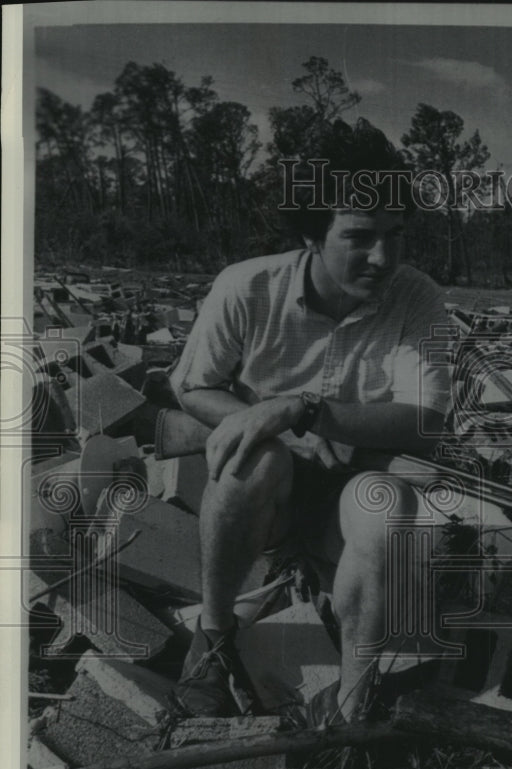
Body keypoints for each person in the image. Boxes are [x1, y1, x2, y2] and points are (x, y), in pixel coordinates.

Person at [169, 121, 450, 725]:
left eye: (395, 236)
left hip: (349, 499)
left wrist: (307, 408)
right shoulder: (245, 287)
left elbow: (425, 422)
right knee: (252, 458)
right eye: (359, 236)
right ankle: (214, 639)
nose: (382, 257)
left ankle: (353, 699)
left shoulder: (416, 297)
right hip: (266, 500)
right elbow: (192, 386)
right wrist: (274, 423)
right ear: (311, 235)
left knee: (384, 504)